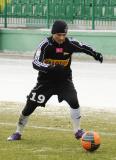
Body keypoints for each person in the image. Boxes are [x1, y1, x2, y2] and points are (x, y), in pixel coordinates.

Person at [7, 20, 103, 141]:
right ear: (53, 33)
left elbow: (84, 47)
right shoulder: (45, 45)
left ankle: (77, 131)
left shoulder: (70, 43)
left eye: (64, 35)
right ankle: (18, 132)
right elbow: (35, 63)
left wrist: (96, 54)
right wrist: (51, 67)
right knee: (29, 107)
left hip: (64, 82)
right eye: (59, 35)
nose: (62, 38)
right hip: (45, 83)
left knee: (74, 101)